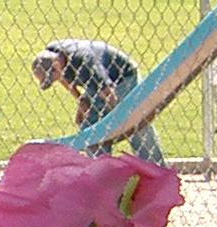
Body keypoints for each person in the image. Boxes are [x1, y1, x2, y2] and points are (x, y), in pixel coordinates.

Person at [32, 38, 165, 165]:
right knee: (89, 129)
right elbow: (62, 78)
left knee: (133, 122)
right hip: (94, 84)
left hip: (122, 77)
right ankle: (103, 169)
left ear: (56, 66)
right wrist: (81, 100)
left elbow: (110, 95)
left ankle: (153, 166)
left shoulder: (87, 64)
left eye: (51, 78)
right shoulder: (54, 52)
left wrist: (117, 120)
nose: (54, 81)